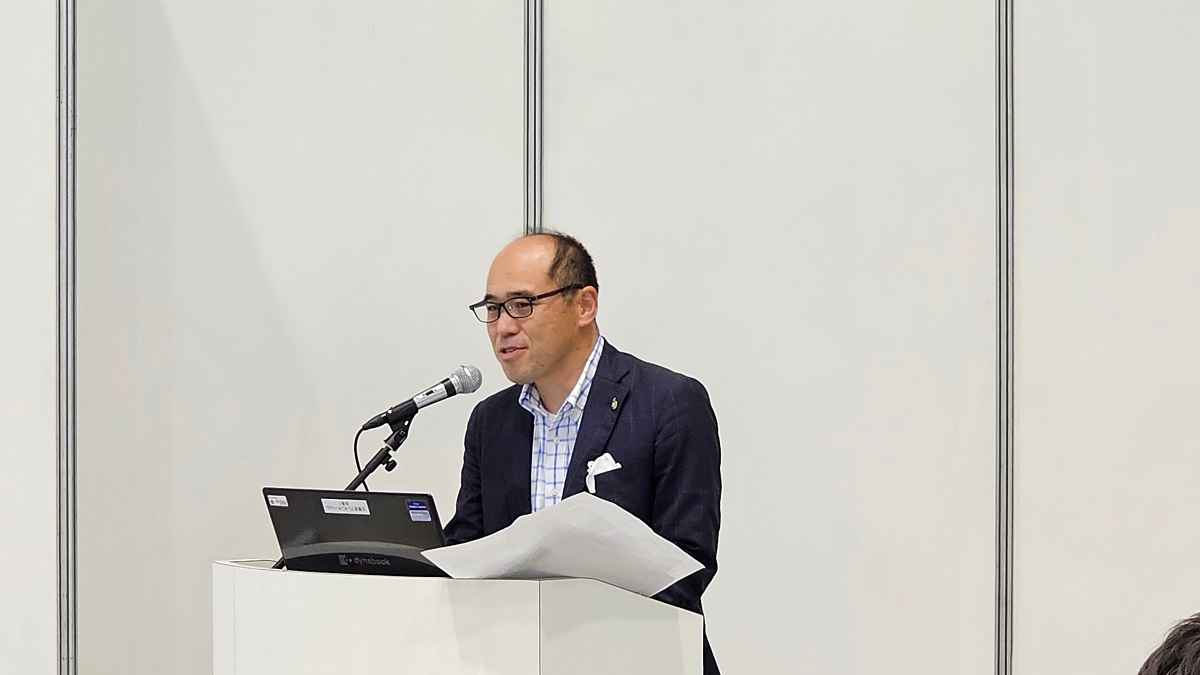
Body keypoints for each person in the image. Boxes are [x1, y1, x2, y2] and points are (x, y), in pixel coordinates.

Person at [444, 231, 723, 674]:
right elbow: (468, 548)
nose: (503, 327)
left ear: (584, 305)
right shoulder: (490, 421)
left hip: (642, 660)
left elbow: (687, 565)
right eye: (493, 309)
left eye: (522, 304)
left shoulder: (668, 402)